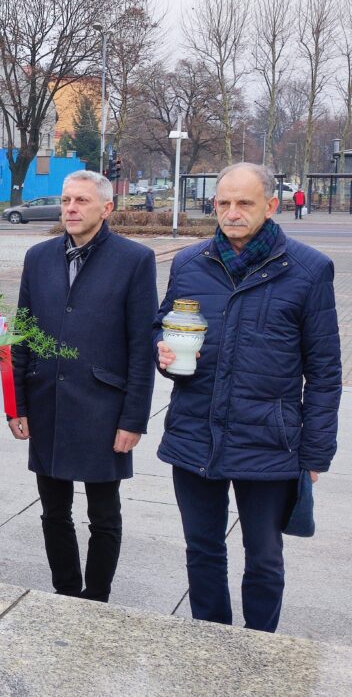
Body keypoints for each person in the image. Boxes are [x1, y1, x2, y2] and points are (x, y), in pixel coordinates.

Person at [155, 162, 340, 633]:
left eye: (244, 203)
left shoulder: (308, 270)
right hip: (195, 430)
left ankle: (261, 650)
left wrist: (316, 450)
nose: (232, 213)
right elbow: (164, 323)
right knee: (202, 549)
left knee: (263, 556)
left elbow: (324, 371)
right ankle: (211, 642)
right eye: (224, 203)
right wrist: (162, 349)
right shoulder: (190, 263)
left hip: (269, 440)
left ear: (272, 206)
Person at [10, 170, 157, 602]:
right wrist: (16, 404)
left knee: (103, 514)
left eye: (82, 202)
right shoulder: (38, 257)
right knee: (54, 511)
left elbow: (140, 347)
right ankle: (66, 590)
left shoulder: (134, 260)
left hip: (102, 407)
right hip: (46, 402)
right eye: (66, 200)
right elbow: (23, 334)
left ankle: (97, 597)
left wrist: (134, 419)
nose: (71, 208)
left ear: (106, 208)